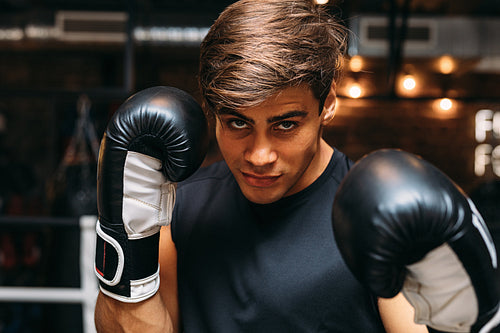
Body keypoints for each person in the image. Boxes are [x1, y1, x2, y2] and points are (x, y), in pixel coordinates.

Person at [94, 0, 428, 331]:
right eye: (238, 124)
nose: (259, 155)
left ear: (327, 105)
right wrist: (124, 237)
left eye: (285, 125)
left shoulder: (378, 220)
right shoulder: (181, 210)